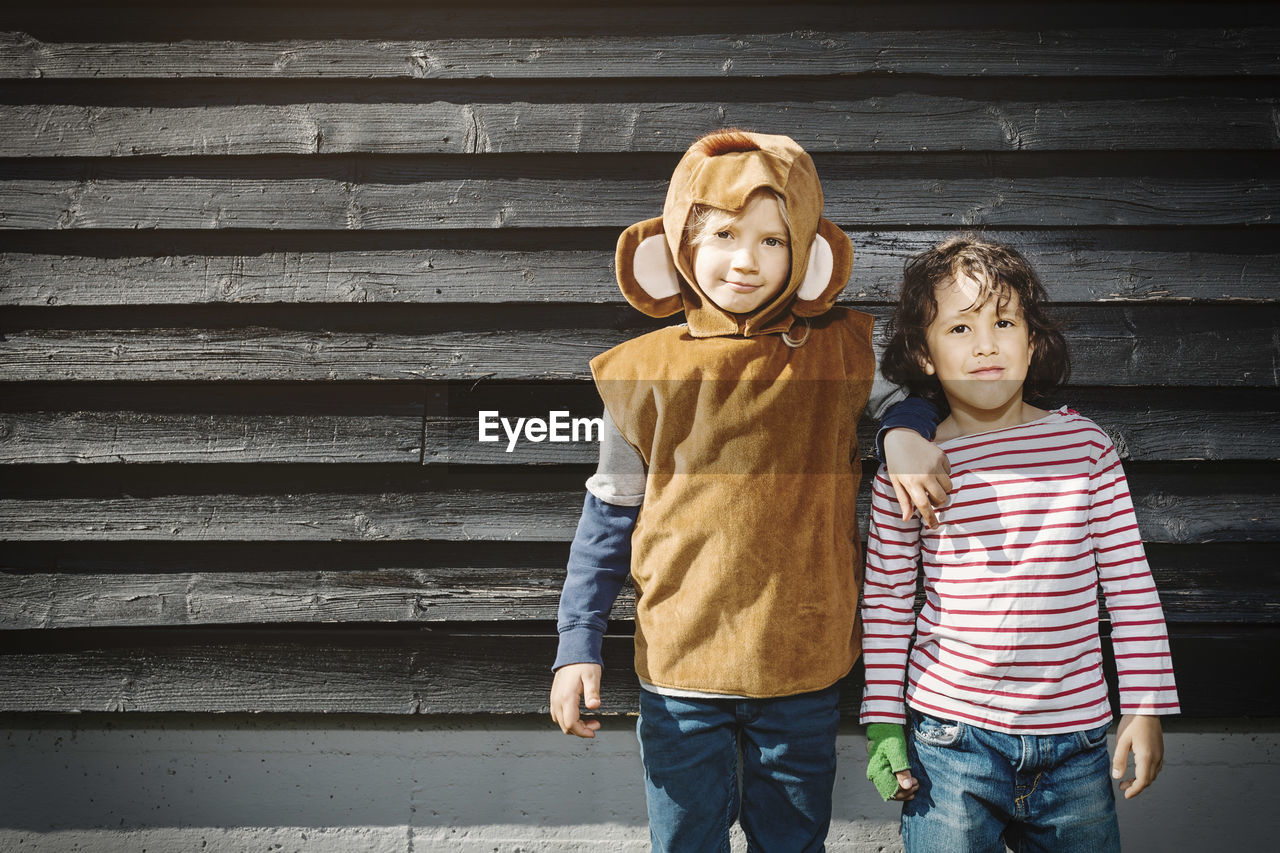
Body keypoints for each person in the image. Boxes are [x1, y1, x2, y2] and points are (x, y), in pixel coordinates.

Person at [547, 128, 947, 853]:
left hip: (798, 662)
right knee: (685, 840)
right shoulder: (645, 372)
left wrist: (905, 434)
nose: (746, 259)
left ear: (807, 249)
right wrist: (577, 644)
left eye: (772, 239)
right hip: (680, 669)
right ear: (676, 245)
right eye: (725, 233)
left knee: (792, 842)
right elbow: (608, 514)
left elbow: (903, 401)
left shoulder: (837, 351)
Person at [859, 236, 1180, 852]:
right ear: (923, 356)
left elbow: (1131, 585)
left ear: (1032, 343)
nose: (985, 345)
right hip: (952, 742)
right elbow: (888, 599)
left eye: (1003, 322)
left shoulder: (1085, 449)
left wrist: (1144, 704)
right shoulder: (913, 466)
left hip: (1078, 745)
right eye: (958, 328)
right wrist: (882, 724)